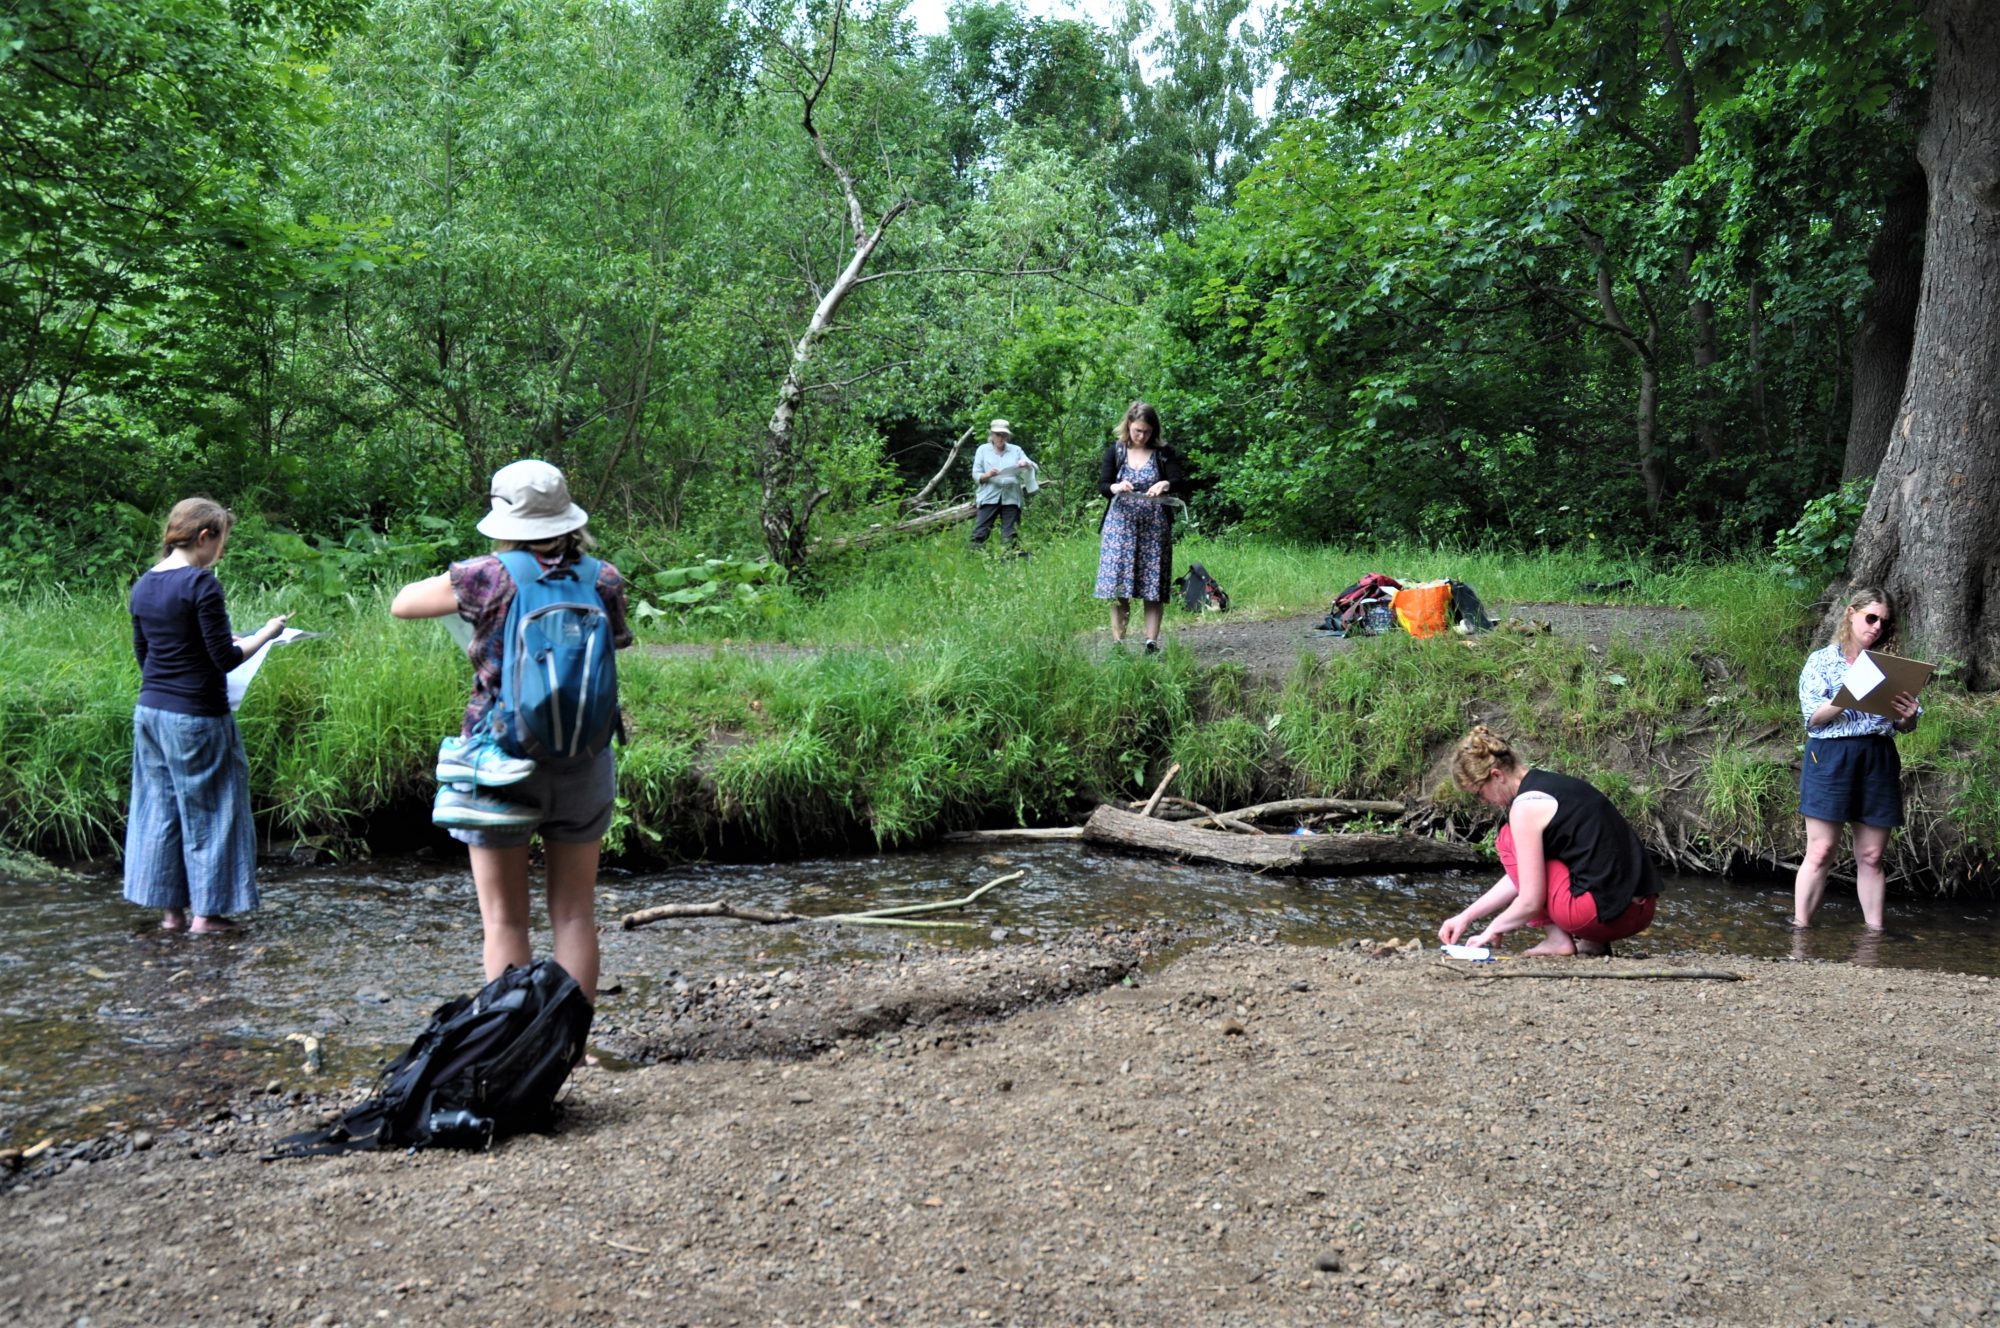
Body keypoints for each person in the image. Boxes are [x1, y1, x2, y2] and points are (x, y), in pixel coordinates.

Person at [390, 460, 633, 1001]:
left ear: (504, 520)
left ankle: (515, 1040)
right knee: (575, 915)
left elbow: (402, 603)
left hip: (501, 759)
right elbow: (615, 642)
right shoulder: (604, 577)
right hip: (584, 758)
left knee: (505, 921)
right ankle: (570, 1040)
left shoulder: (486, 576)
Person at [124, 498, 289, 933]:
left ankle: (170, 915)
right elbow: (225, 659)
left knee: (161, 810)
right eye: (221, 541)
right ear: (203, 536)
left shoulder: (143, 584)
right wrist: (267, 634)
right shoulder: (201, 584)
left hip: (151, 711)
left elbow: (146, 655)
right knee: (213, 813)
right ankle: (207, 916)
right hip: (198, 717)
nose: (221, 551)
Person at [1437, 726, 1662, 956]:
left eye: (1479, 793)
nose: (1483, 801)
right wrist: (1466, 916)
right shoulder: (1557, 785)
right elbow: (1519, 877)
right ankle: (1593, 944)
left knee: (1507, 837)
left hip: (1600, 917)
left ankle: (1557, 939)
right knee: (1558, 860)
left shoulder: (1525, 808)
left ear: (1497, 775)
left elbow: (1530, 901)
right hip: (1641, 911)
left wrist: (1492, 928)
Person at [1792, 587, 1921, 930]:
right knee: (1821, 850)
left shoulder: (1890, 666)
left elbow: (1905, 726)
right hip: (1831, 755)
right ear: (1851, 613)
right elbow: (1812, 719)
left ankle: (1874, 934)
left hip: (1878, 756)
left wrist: (1908, 716)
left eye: (1884, 622)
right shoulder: (1821, 661)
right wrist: (1848, 696)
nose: (1877, 627)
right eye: (1871, 618)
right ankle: (1800, 929)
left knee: (1872, 855)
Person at [1093, 400, 1186, 653]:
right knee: (1118, 585)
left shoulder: (1163, 452)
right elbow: (1103, 485)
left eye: (1147, 431)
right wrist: (1116, 487)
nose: (1142, 436)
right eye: (1137, 431)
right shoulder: (1116, 451)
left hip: (1154, 527)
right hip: (1119, 528)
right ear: (1128, 426)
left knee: (1153, 585)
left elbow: (1178, 479)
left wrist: (1165, 484)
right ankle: (1118, 644)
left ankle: (1151, 643)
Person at [969, 418, 1036, 548]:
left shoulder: (1016, 450)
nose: (1001, 438)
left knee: (1010, 535)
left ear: (1007, 436)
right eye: (998, 434)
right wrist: (989, 474)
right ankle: (975, 555)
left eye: (1004, 435)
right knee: (980, 533)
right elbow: (976, 474)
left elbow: (1033, 466)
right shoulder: (982, 450)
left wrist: (1026, 463)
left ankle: (1009, 557)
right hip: (989, 496)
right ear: (991, 435)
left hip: (1012, 497)